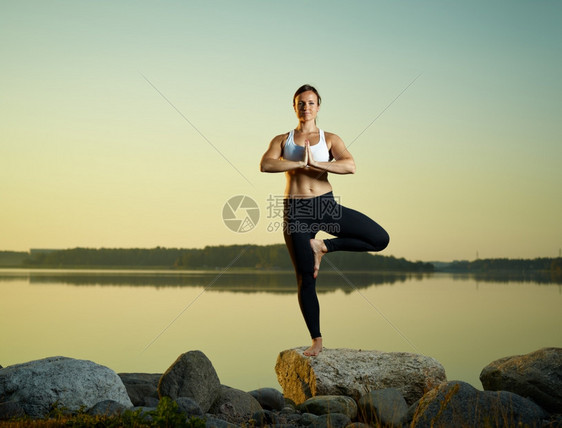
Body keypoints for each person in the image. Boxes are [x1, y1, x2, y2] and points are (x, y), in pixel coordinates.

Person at [260, 84, 389, 356]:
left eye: (310, 103)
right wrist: (298, 164)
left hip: (325, 205)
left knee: (380, 239)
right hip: (296, 211)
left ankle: (324, 246)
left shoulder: (330, 139)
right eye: (301, 103)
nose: (306, 107)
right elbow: (266, 164)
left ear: (318, 107)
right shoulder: (283, 140)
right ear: (294, 107)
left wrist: (317, 164)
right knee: (306, 277)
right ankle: (316, 340)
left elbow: (349, 165)